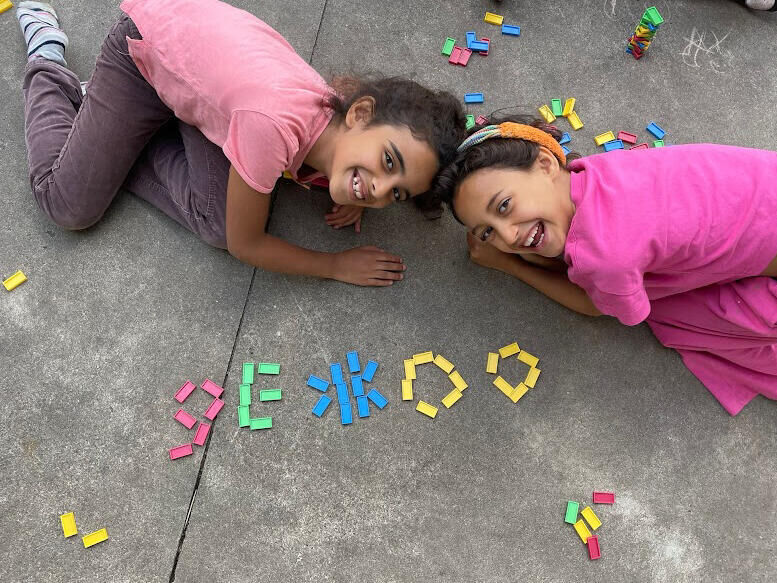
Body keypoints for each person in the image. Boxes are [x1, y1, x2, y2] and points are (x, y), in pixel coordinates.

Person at [16, 0, 466, 287]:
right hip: (145, 50)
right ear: (361, 113)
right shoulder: (272, 126)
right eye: (388, 161)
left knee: (218, 217)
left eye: (396, 194)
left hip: (194, 68)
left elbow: (343, 163)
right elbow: (245, 245)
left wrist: (356, 192)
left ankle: (115, 132)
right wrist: (334, 266)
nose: (380, 190)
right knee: (68, 206)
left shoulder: (333, 122)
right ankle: (48, 59)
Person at [434, 116, 777, 415]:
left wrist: (511, 266)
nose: (508, 236)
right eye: (488, 232)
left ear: (545, 164)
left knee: (676, 314)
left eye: (504, 206)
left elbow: (595, 306)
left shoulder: (605, 257)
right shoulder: (591, 169)